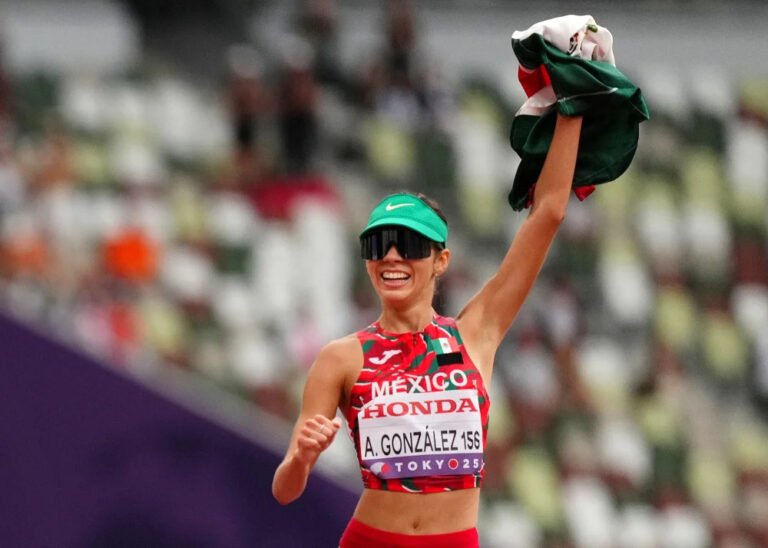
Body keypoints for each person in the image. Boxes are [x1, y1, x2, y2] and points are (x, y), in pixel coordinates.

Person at [272, 113, 583, 547]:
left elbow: (548, 212)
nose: (392, 256)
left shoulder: (475, 333)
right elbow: (285, 490)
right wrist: (302, 459)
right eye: (379, 245)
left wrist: (571, 109)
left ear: (441, 261)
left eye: (410, 244)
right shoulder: (341, 358)